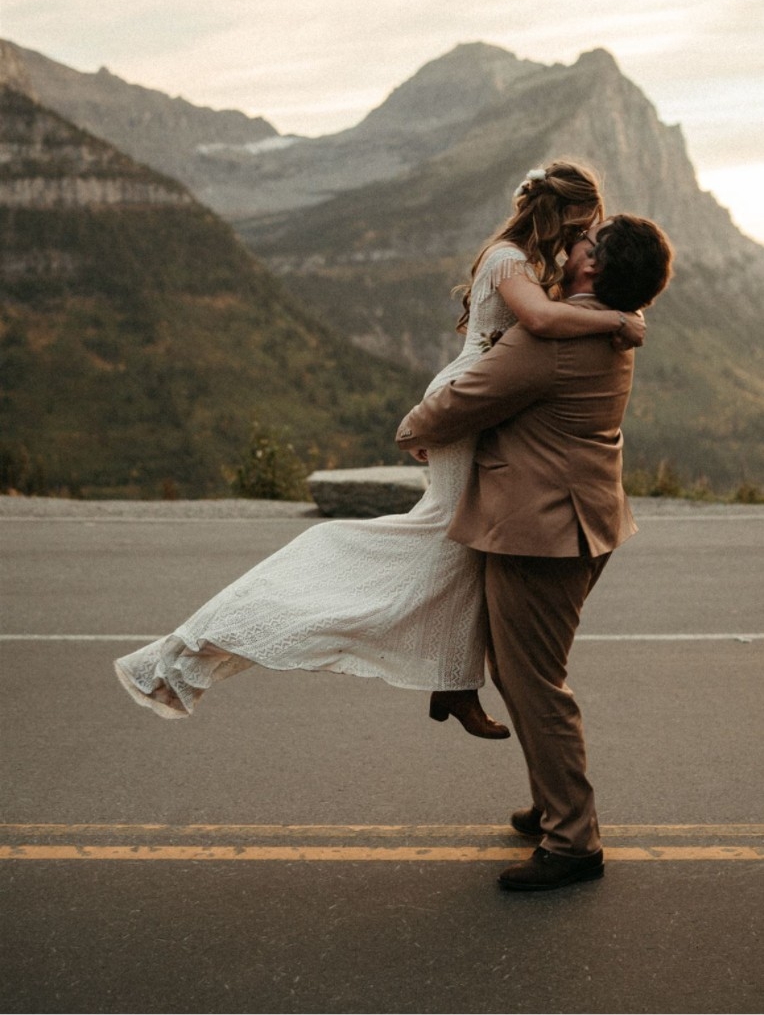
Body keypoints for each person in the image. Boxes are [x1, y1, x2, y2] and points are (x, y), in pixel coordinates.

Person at [114, 162, 643, 736]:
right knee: (447, 538)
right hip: (465, 402)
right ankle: (210, 640)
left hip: (483, 404)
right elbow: (540, 319)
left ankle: (454, 680)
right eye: (586, 226)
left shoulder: (530, 262)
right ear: (562, 214)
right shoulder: (508, 260)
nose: (584, 241)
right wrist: (620, 316)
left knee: (463, 547)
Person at [396, 214, 673, 889]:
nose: (571, 244)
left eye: (583, 241)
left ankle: (573, 840)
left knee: (535, 683)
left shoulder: (550, 336)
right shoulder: (611, 326)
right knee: (526, 671)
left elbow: (463, 400)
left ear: (589, 268)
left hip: (541, 532)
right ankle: (556, 804)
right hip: (578, 520)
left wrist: (413, 430)